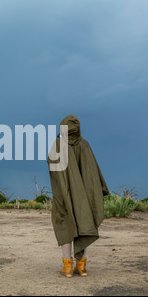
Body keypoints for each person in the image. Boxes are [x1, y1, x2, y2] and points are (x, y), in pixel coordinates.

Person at [47, 115, 109, 277]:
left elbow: (53, 168)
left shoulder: (58, 144)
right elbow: (94, 171)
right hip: (85, 198)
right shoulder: (85, 145)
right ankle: (81, 267)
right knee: (84, 224)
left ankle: (67, 267)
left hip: (64, 196)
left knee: (65, 224)